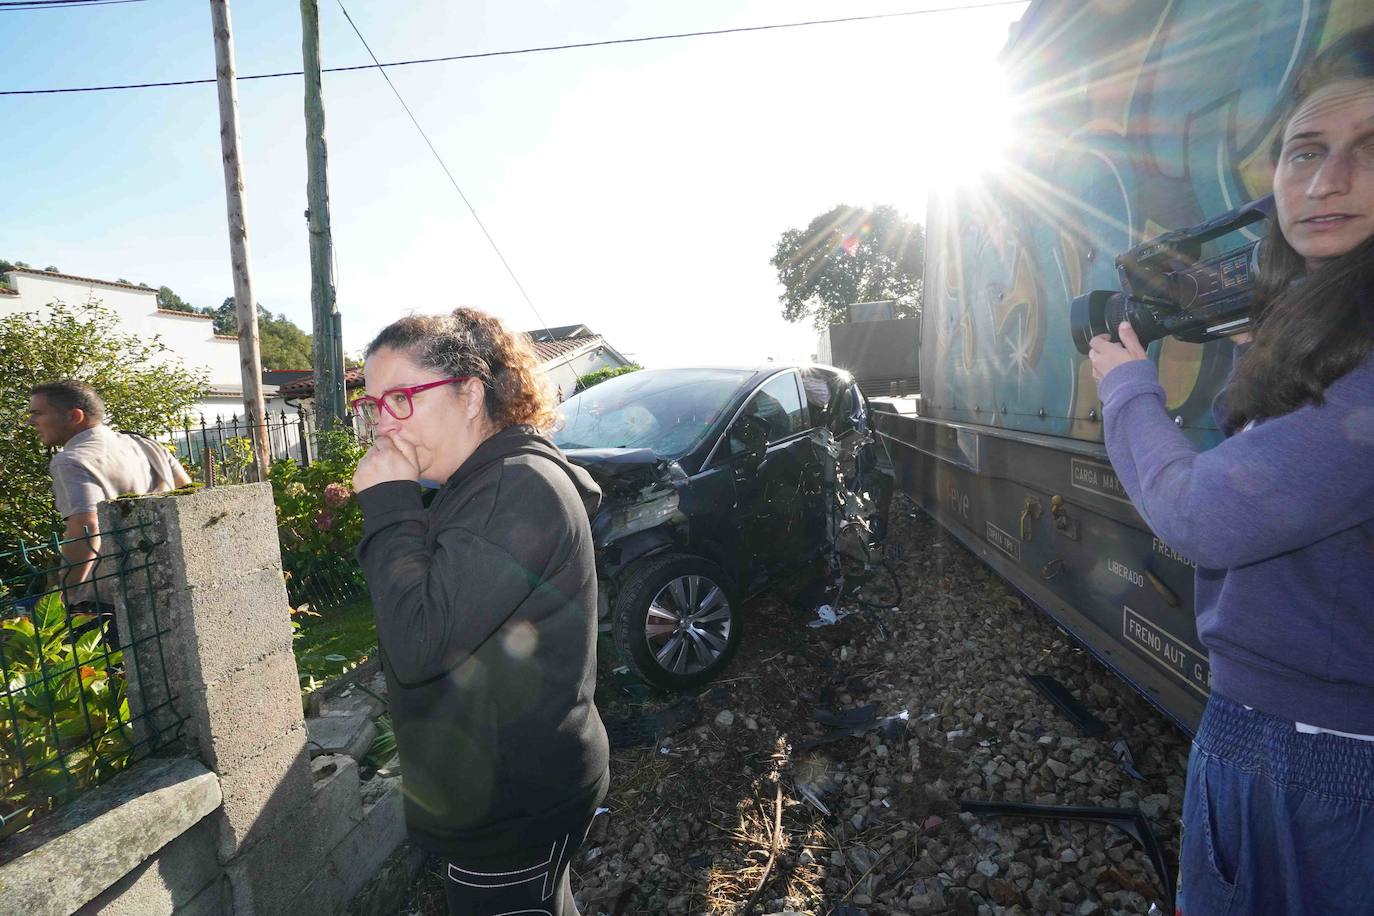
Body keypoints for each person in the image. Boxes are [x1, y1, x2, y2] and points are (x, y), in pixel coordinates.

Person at [1088, 28, 1374, 916]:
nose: (1327, 182)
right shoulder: (1341, 335)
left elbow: (1200, 513)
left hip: (1310, 760)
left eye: (1369, 151)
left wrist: (1126, 388)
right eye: (1304, 153)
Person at [351, 308, 609, 916]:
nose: (381, 425)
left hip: (512, 806)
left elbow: (418, 643)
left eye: (402, 399)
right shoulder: (478, 485)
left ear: (469, 394)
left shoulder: (513, 489)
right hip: (514, 784)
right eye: (372, 405)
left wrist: (389, 506)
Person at [27, 379, 191, 608]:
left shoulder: (71, 461)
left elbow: (86, 527)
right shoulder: (144, 444)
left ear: (74, 416)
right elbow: (188, 494)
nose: (31, 422)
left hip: (110, 597)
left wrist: (64, 597)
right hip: (165, 577)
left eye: (38, 413)